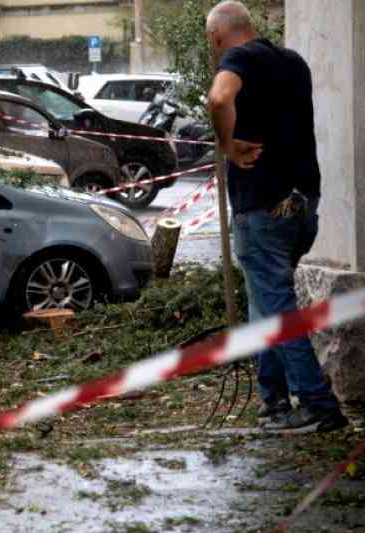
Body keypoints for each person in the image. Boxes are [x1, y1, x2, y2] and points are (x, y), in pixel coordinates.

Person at [205, 0, 347, 432]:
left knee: (278, 309)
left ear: (217, 37)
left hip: (263, 207)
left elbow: (219, 97)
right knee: (264, 304)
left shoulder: (238, 57)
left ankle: (320, 405)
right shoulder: (295, 62)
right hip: (303, 207)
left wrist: (228, 144)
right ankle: (274, 401)